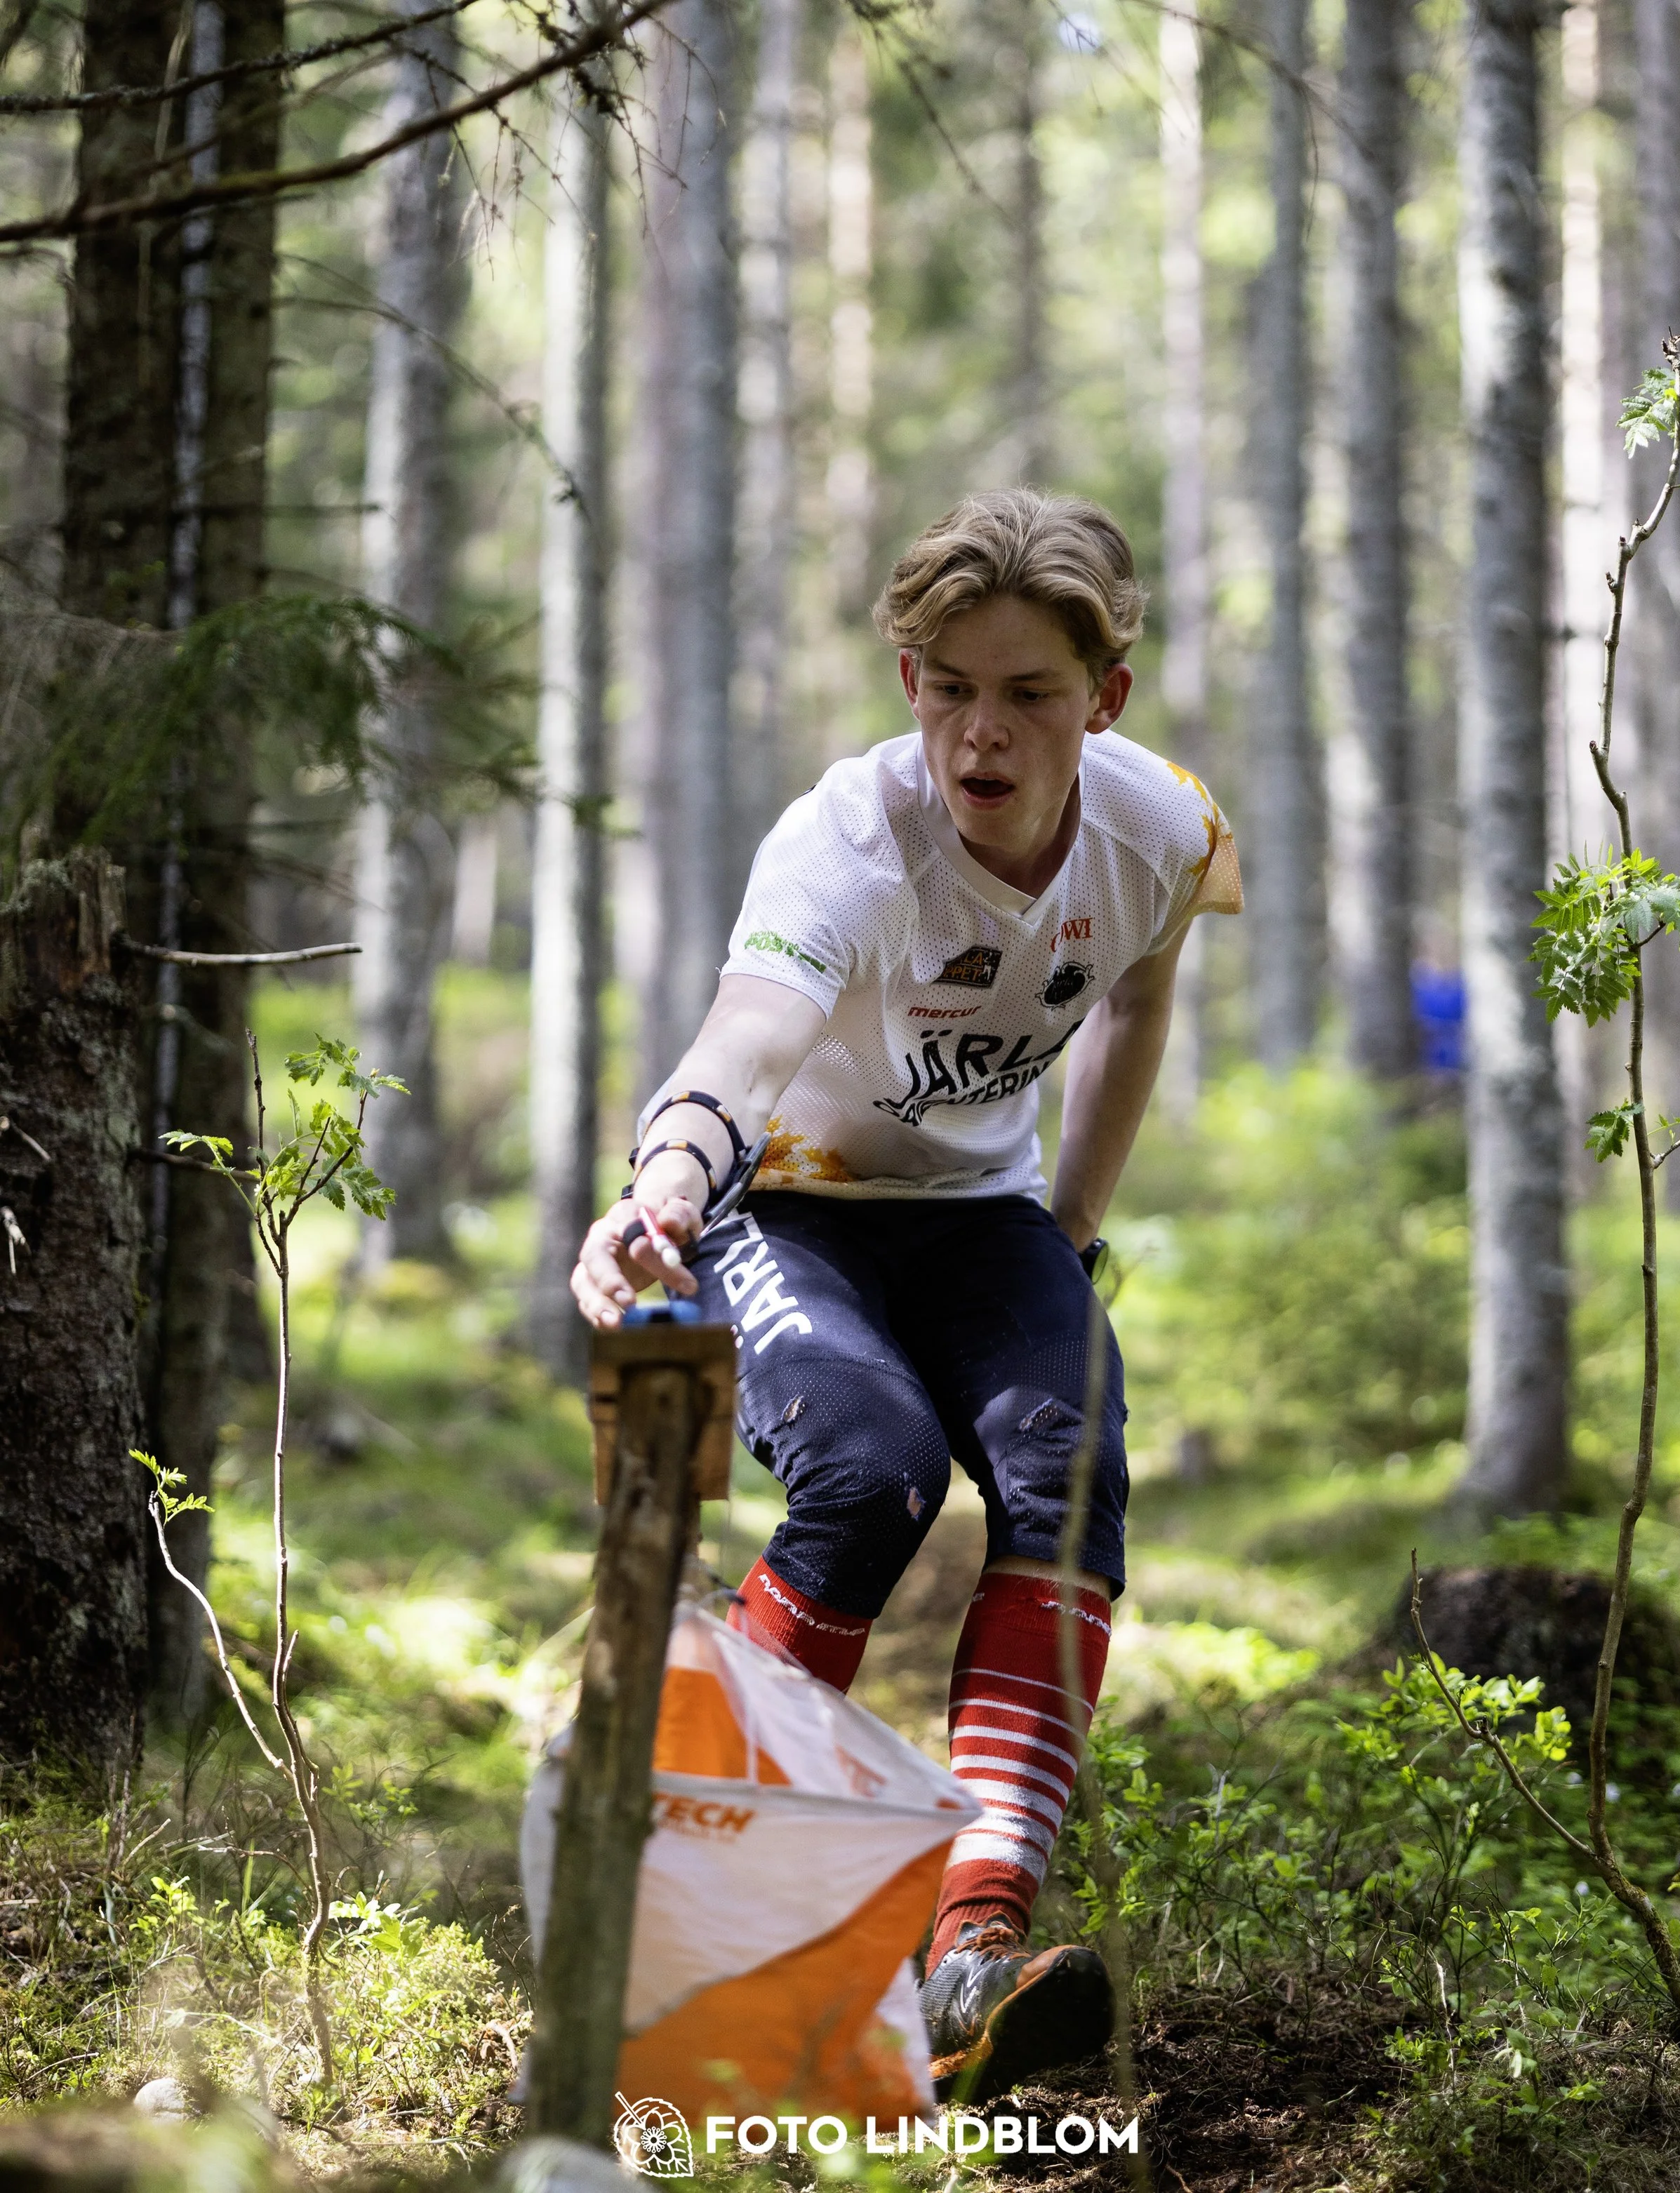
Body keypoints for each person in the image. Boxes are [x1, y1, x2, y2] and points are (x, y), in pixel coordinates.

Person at [571, 488, 1242, 2101]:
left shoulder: (1163, 827)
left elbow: (1137, 996)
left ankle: (970, 1951)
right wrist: (668, 1175)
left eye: (1025, 693)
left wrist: (1070, 1221)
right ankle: (702, 1879)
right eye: (948, 686)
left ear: (1104, 700)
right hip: (785, 1199)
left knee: (1063, 1459)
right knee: (869, 1473)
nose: (980, 733)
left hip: (974, 1206)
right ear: (908, 684)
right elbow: (740, 1039)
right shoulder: (845, 843)